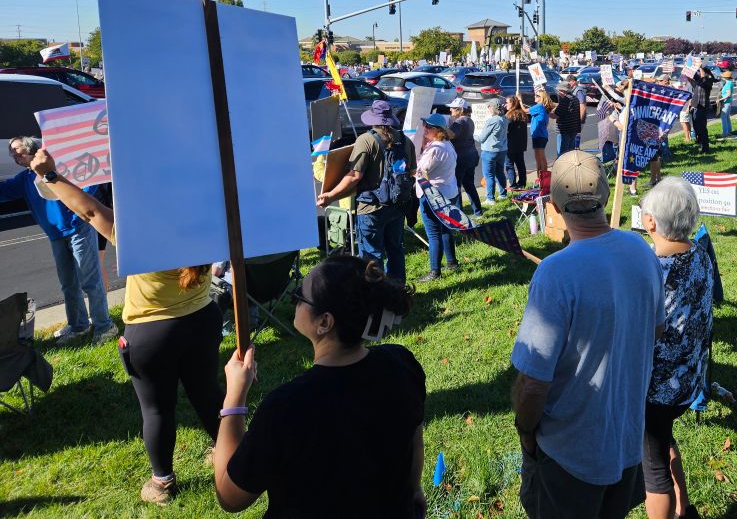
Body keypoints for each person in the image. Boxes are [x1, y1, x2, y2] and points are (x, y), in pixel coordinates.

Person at [26, 149, 222, 504]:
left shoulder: (145, 230)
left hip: (152, 333)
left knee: (158, 409)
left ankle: (162, 483)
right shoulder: (210, 219)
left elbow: (90, 211)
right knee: (207, 391)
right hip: (202, 319)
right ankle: (227, 452)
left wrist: (51, 176)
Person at [511, 150, 664, 519]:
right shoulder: (641, 251)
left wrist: (526, 432)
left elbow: (532, 384)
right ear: (607, 196)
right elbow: (655, 330)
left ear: (555, 207)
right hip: (626, 441)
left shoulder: (555, 272)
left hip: (570, 453)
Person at [215, 256, 426, 517]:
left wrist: (234, 397)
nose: (294, 300)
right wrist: (414, 490)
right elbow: (414, 442)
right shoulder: (401, 364)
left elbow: (230, 497)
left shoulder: (286, 407)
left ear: (325, 322)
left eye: (299, 296)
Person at [639, 178, 714, 519]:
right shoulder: (700, 253)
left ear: (650, 222)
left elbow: (644, 330)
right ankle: (683, 508)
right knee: (664, 439)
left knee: (653, 471)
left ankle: (671, 508)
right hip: (690, 379)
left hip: (658, 390)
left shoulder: (653, 272)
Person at [1, 137, 116, 346]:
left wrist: (77, 216)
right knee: (68, 284)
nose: (14, 156)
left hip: (78, 229)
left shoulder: (60, 168)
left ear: (31, 148)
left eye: (17, 150)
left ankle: (105, 325)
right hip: (56, 235)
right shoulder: (25, 178)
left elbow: (87, 185)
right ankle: (79, 325)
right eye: (11, 153)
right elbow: (4, 191)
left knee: (90, 281)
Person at [317, 100, 416, 283]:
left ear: (372, 119)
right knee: (395, 250)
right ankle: (397, 292)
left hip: (371, 209)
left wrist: (330, 195)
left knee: (371, 256)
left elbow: (354, 176)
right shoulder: (405, 140)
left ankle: (375, 295)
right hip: (397, 205)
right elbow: (411, 172)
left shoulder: (366, 140)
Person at [415, 114, 460, 283]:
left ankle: (435, 271)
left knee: (434, 234)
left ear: (438, 130)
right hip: (449, 191)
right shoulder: (447, 144)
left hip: (433, 195)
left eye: (428, 127)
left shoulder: (435, 150)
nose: (425, 129)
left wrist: (415, 162)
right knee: (446, 229)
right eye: (425, 125)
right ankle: (452, 262)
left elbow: (422, 171)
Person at [447, 98, 483, 217]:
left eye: (453, 108)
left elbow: (450, 135)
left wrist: (442, 127)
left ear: (461, 110)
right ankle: (478, 211)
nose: (450, 109)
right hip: (471, 155)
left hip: (461, 158)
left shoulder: (459, 122)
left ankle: (459, 215)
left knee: (456, 186)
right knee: (469, 184)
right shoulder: (469, 120)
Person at [475, 97, 509, 204]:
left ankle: (490, 198)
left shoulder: (492, 120)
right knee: (500, 172)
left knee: (489, 175)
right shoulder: (504, 119)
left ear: (493, 107)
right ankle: (503, 194)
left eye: (489, 106)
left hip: (490, 150)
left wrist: (471, 134)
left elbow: (481, 138)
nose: (488, 108)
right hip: (502, 150)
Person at [505, 95, 530, 189]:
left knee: (509, 164)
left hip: (510, 144)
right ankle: (522, 182)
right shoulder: (522, 113)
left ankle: (513, 184)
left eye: (507, 102)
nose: (505, 104)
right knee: (520, 163)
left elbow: (506, 129)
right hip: (520, 143)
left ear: (513, 103)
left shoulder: (510, 116)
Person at [690, 66, 715, 154]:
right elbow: (691, 76)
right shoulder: (699, 82)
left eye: (701, 73)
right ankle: (700, 144)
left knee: (702, 128)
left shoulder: (708, 81)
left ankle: (705, 148)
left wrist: (700, 67)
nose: (699, 74)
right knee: (696, 128)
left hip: (702, 106)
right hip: (695, 107)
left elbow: (703, 77)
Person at [529, 89, 555, 173]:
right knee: (538, 158)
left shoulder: (539, 106)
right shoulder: (542, 107)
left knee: (540, 158)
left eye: (537, 96)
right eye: (535, 95)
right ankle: (540, 178)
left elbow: (526, 111)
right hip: (539, 135)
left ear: (542, 98)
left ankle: (544, 178)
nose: (535, 96)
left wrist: (520, 101)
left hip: (539, 135)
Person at [554, 81, 582, 156]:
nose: (558, 93)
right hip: (573, 129)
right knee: (570, 152)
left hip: (564, 130)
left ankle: (561, 167)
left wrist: (546, 111)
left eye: (559, 91)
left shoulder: (565, 100)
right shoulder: (575, 98)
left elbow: (556, 115)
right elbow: (576, 114)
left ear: (563, 91)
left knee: (562, 153)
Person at [717, 71, 734, 138]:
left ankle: (725, 133)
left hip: (726, 102)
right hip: (728, 102)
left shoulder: (728, 84)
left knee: (723, 117)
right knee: (727, 117)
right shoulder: (729, 82)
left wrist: (720, 100)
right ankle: (729, 131)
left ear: (725, 77)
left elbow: (728, 94)